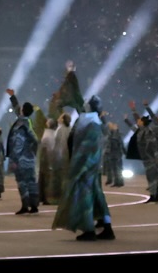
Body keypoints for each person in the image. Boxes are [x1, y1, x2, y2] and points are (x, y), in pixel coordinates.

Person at [52, 94, 114, 242]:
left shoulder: (88, 122)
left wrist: (76, 167)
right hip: (94, 165)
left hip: (85, 166)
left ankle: (89, 230)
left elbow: (82, 147)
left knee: (85, 197)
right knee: (98, 197)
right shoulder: (97, 122)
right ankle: (107, 228)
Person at [6, 88, 40, 213]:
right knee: (31, 181)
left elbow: (19, 143)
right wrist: (12, 97)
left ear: (23, 111)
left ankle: (25, 205)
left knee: (22, 182)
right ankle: (34, 205)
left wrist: (15, 158)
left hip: (21, 158)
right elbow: (35, 141)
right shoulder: (27, 122)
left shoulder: (22, 124)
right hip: (28, 158)